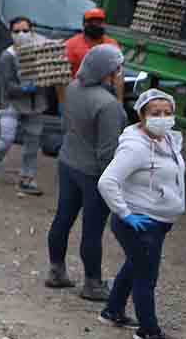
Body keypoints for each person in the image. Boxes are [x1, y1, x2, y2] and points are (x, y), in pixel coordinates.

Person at [97, 88, 185, 339]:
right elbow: (107, 181)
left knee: (135, 265)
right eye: (155, 113)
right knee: (147, 277)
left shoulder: (167, 139)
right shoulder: (135, 148)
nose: (163, 117)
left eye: (168, 112)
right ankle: (148, 330)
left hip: (157, 221)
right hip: (141, 223)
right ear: (141, 116)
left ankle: (112, 311)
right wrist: (125, 214)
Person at [46, 43, 126, 300]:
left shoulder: (73, 87)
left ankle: (56, 270)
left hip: (69, 162)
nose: (121, 73)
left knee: (63, 218)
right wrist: (114, 185)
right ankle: (92, 283)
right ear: (107, 71)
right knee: (92, 229)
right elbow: (107, 151)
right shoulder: (108, 105)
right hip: (93, 174)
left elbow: (65, 124)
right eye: (118, 68)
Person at [0, 16, 48, 195]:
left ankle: (27, 178)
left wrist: (44, 82)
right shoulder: (8, 56)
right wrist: (25, 88)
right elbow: (8, 86)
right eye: (17, 31)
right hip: (12, 104)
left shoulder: (39, 51)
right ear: (11, 33)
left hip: (35, 105)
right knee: (6, 139)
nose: (21, 34)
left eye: (25, 30)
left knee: (33, 142)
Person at [65, 7, 120, 83]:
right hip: (80, 87)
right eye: (91, 22)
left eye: (99, 22)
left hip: (104, 89)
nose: (95, 25)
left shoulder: (112, 44)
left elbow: (118, 73)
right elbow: (65, 75)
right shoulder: (71, 45)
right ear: (84, 24)